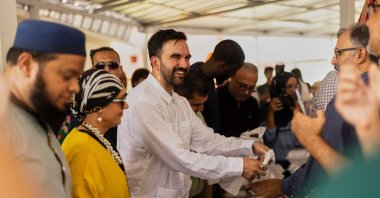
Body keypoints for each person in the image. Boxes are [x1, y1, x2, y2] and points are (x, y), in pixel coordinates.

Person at [117, 29, 269, 197]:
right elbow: (181, 158)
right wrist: (239, 166)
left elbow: (208, 142)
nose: (184, 64)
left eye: (187, 58)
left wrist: (249, 146)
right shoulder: (142, 103)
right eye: (175, 57)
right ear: (155, 62)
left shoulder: (179, 101)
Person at [252, 23, 371, 197]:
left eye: (339, 53)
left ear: (360, 54)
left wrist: (284, 186)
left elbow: (323, 161)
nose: (333, 60)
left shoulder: (350, 99)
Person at [2, 19, 86, 197]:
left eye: (77, 78)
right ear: (26, 64)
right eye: (67, 75)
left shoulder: (38, 111)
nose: (75, 88)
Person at [62, 69, 130, 197]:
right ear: (99, 107)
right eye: (121, 100)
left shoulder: (95, 138)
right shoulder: (82, 149)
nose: (126, 105)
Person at [189, 39, 245, 132]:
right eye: (232, 71)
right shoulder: (193, 82)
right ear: (223, 65)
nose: (231, 76)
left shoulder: (208, 78)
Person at [263, 71, 302, 166]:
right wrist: (271, 113)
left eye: (295, 86)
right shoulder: (266, 108)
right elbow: (269, 138)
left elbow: (302, 139)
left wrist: (299, 114)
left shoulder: (297, 107)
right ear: (279, 88)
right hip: (277, 164)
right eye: (289, 86)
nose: (293, 90)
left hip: (299, 161)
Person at [217, 62, 260, 137]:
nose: (246, 92)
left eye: (251, 88)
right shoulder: (216, 98)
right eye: (242, 86)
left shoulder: (253, 103)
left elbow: (255, 133)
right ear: (232, 76)